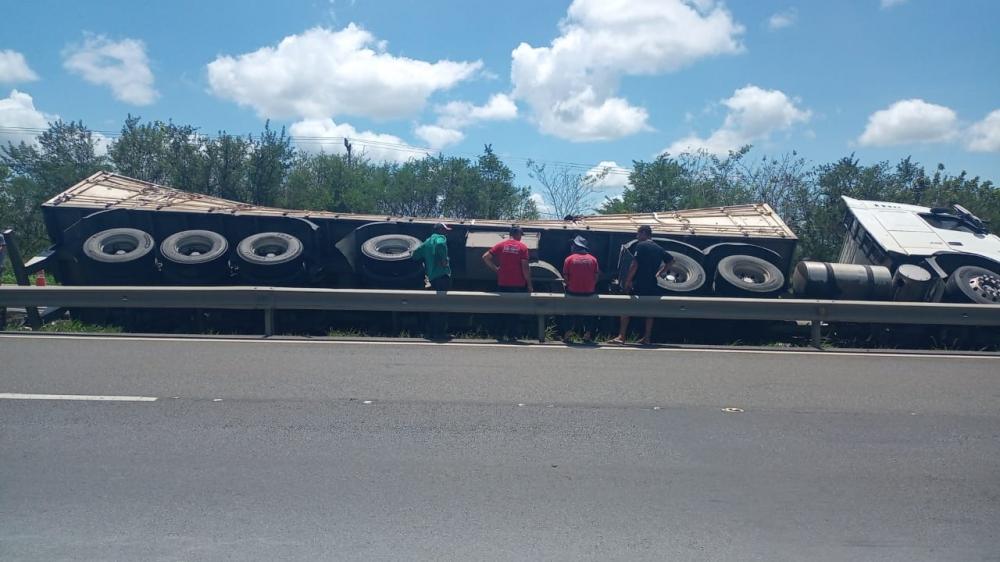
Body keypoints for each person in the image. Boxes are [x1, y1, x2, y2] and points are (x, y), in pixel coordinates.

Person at [609, 225, 673, 346]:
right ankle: (647, 338)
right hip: (652, 284)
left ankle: (621, 336)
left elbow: (634, 264)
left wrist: (628, 281)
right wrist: (659, 273)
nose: (637, 236)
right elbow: (671, 261)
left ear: (644, 233)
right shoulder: (658, 248)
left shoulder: (641, 246)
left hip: (639, 283)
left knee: (626, 307)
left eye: (638, 234)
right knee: (649, 311)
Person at [482, 225, 533, 340]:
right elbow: (525, 268)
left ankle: (499, 334)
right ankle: (512, 335)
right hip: (518, 284)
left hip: (503, 283)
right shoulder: (522, 247)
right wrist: (529, 284)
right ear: (517, 234)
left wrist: (496, 270)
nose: (521, 237)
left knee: (502, 309)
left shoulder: (501, 245)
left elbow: (485, 257)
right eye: (521, 235)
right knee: (514, 310)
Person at [412, 222, 452, 339]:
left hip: (433, 278)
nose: (446, 233)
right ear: (439, 230)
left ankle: (432, 332)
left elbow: (415, 255)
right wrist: (443, 258)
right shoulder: (440, 238)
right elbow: (440, 245)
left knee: (434, 305)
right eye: (445, 230)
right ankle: (441, 333)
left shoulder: (426, 242)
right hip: (443, 276)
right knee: (443, 306)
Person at [561, 235, 600, 343]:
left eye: (572, 244)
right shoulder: (593, 260)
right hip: (589, 293)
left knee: (569, 314)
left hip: (572, 292)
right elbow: (596, 277)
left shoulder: (569, 259)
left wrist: (570, 285)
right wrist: (590, 285)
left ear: (576, 246)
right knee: (589, 314)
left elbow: (565, 277)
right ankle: (587, 336)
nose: (571, 246)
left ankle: (567, 336)